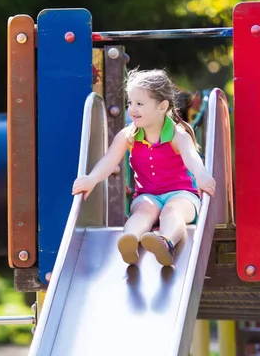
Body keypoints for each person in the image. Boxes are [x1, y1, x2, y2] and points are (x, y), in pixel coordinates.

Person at [72, 68, 216, 267]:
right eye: (130, 103)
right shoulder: (128, 135)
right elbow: (108, 161)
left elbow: (192, 158)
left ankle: (165, 242)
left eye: (139, 104)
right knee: (142, 212)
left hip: (182, 195)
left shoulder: (177, 134)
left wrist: (202, 176)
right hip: (148, 196)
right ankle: (129, 240)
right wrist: (91, 179)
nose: (132, 109)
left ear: (162, 106)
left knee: (172, 211)